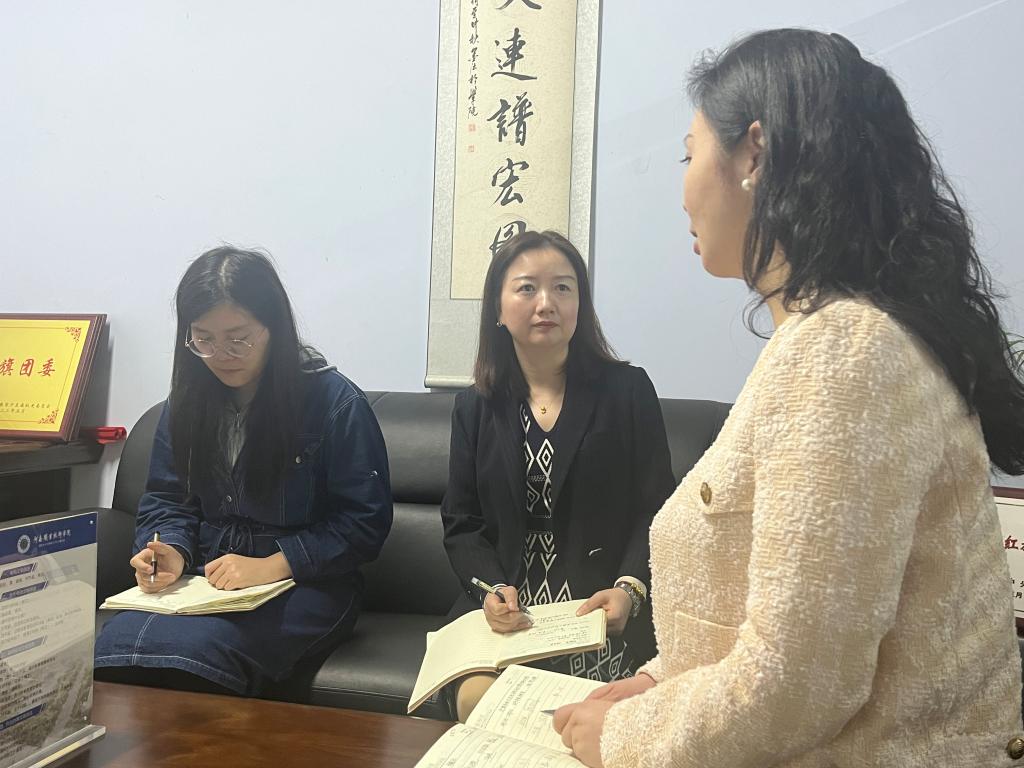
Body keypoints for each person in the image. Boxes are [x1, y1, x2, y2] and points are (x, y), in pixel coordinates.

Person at [554, 29, 1024, 767]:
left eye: (688, 154)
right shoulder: (829, 338)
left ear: (754, 156)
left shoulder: (846, 353)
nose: (682, 189)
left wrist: (622, 737)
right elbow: (772, 621)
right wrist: (654, 683)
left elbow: (800, 681)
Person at [95, 246, 392, 695]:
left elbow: (364, 522)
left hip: (307, 586)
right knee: (115, 647)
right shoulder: (186, 403)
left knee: (201, 653)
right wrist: (170, 549)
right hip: (206, 580)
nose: (221, 355)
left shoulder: (334, 401)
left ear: (274, 328)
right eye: (204, 339)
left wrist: (274, 564)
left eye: (239, 339)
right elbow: (167, 499)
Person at [440, 230, 676, 721]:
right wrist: (490, 590)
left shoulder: (628, 391)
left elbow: (657, 508)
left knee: (588, 714)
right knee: (479, 703)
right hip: (509, 614)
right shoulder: (475, 407)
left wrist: (630, 589)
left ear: (579, 305)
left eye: (563, 288)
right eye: (527, 288)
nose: (546, 302)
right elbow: (462, 522)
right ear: (498, 308)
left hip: (598, 609)